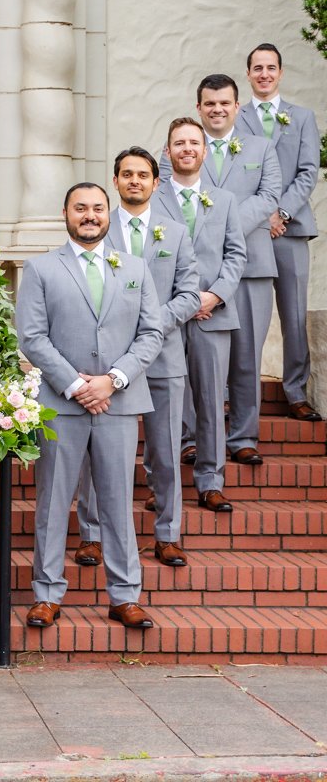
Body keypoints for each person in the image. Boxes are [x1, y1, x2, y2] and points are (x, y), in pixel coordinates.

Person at [17, 183, 163, 631]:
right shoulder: (41, 269)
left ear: (108, 214)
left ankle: (125, 596)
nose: (90, 215)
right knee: (53, 501)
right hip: (63, 405)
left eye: (98, 208)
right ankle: (46, 593)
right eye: (81, 208)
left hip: (118, 403)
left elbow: (151, 333)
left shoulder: (135, 267)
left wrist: (113, 380)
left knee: (119, 503)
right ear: (65, 213)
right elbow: (32, 336)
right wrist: (76, 384)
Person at [74, 148, 201, 568]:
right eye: (126, 174)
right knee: (98, 454)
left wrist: (150, 322)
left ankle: (167, 533)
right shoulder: (97, 230)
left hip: (162, 358)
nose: (134, 181)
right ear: (115, 181)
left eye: (142, 175)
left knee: (164, 451)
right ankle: (91, 534)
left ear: (155, 182)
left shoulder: (175, 233)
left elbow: (189, 294)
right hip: (106, 365)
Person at [162, 74, 280, 467]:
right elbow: (166, 204)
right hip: (190, 274)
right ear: (199, 107)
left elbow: (268, 197)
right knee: (186, 360)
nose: (217, 109)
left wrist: (224, 221)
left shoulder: (262, 148)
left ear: (237, 107)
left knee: (246, 357)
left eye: (224, 103)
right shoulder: (179, 150)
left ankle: (243, 435)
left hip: (250, 269)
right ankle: (191, 437)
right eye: (209, 103)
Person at [156, 117, 247, 513]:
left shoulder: (224, 200)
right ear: (168, 151)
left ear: (205, 151)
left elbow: (235, 255)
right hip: (165, 319)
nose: (187, 148)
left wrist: (213, 296)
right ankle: (162, 486)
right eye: (179, 143)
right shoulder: (153, 199)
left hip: (213, 315)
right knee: (164, 404)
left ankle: (210, 481)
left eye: (194, 142)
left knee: (211, 401)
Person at [236, 43, 322, 422]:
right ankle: (239, 394)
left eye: (271, 67)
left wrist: (281, 211)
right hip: (250, 231)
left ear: (281, 73)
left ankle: (295, 391)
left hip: (291, 229)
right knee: (243, 316)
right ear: (249, 74)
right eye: (258, 68)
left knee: (292, 314)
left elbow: (308, 172)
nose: (265, 74)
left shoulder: (301, 117)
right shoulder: (236, 118)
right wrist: (260, 215)